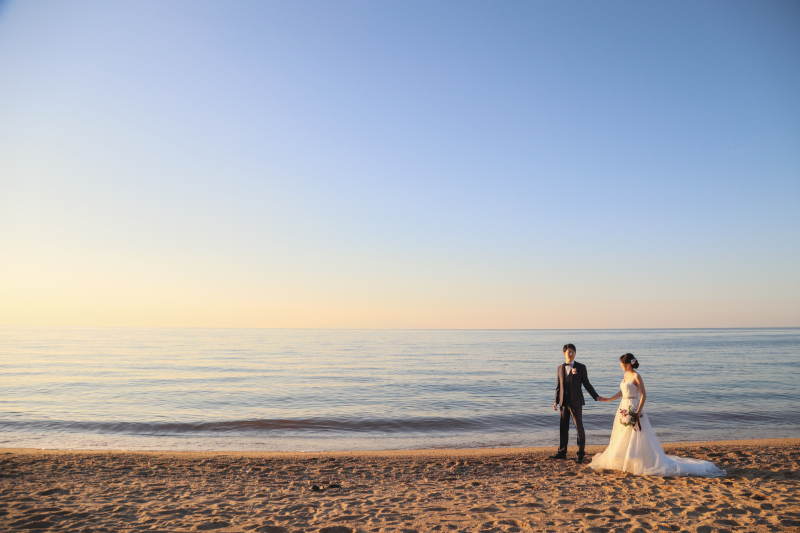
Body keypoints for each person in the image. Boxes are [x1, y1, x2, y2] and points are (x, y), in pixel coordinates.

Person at [590, 353, 726, 477]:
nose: (620, 365)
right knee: (623, 434)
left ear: (628, 364)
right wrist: (608, 399)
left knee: (636, 434)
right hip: (623, 407)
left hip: (633, 406)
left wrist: (637, 411)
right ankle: (626, 460)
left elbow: (643, 395)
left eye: (622, 363)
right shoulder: (625, 376)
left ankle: (637, 460)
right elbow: (622, 392)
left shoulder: (637, 376)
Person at [550, 343, 603, 464]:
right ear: (564, 353)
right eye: (569, 352)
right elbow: (558, 387)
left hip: (576, 402)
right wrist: (556, 401)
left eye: (573, 352)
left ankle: (581, 454)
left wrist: (596, 396)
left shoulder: (581, 367)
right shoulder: (560, 368)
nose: (571, 354)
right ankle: (562, 452)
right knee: (563, 428)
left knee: (579, 428)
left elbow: (587, 384)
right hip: (563, 402)